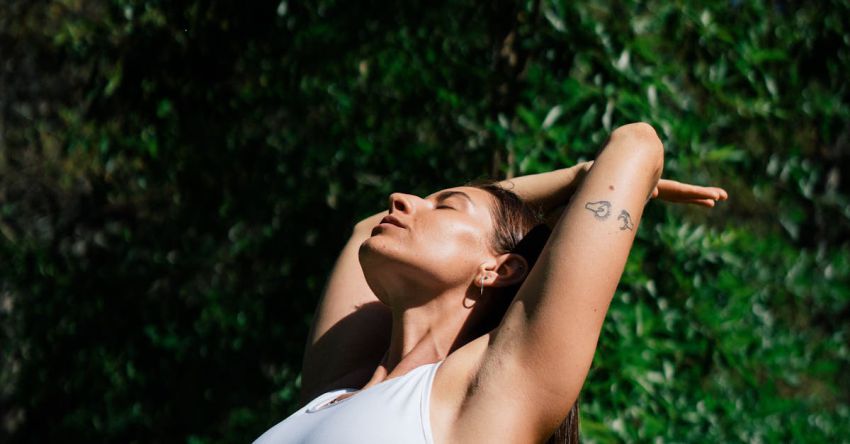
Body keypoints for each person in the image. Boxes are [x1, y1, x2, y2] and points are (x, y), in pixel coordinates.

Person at [254, 122, 728, 443]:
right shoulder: (332, 393)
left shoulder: (483, 398)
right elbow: (365, 228)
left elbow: (637, 142)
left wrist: (587, 184)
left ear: (500, 269)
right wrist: (576, 176)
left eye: (446, 205)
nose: (402, 199)